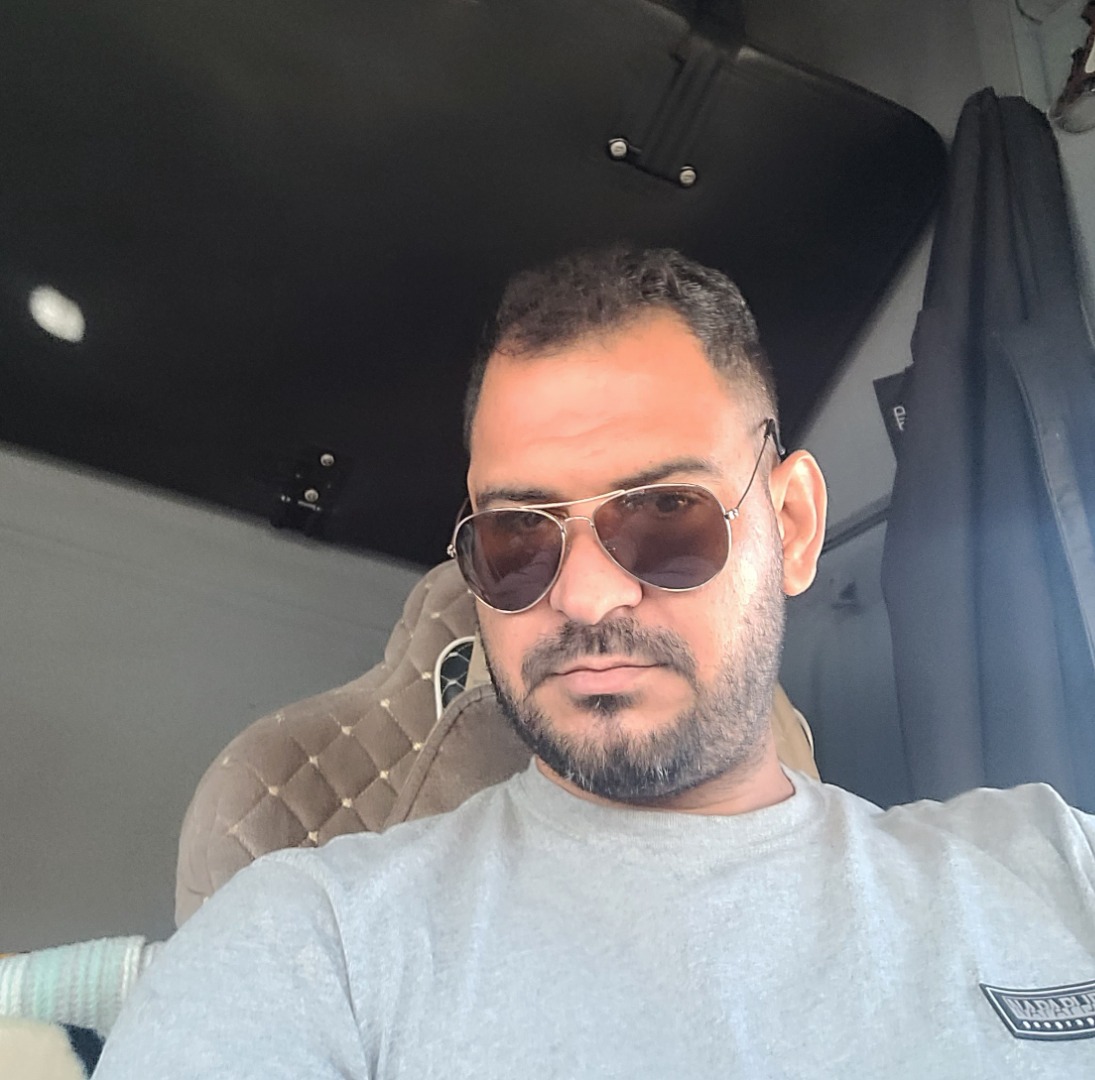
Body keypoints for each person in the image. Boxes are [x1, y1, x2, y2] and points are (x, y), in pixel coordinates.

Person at [96, 248, 1095, 1078]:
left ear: (790, 527)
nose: (585, 596)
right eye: (517, 537)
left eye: (664, 514)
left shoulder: (1056, 864)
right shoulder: (313, 941)